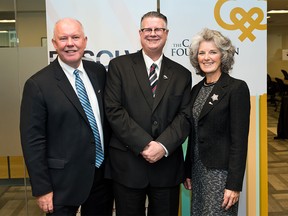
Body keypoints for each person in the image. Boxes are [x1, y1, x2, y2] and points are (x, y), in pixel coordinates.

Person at [20, 18, 113, 216]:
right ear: (54, 44)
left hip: (101, 179)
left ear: (85, 41)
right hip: (60, 184)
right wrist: (42, 188)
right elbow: (32, 142)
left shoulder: (98, 72)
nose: (70, 43)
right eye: (63, 38)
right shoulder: (37, 85)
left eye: (75, 37)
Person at [104, 11, 191, 216]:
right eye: (148, 29)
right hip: (128, 165)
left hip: (166, 166)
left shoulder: (182, 74)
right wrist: (144, 144)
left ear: (167, 33)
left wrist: (161, 146)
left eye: (158, 29)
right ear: (140, 33)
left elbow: (185, 116)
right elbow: (114, 110)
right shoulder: (119, 66)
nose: (153, 33)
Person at [183, 28, 250, 215]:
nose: (206, 57)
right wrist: (188, 170)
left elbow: (239, 141)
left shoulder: (236, 88)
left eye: (213, 52)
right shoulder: (195, 90)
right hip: (197, 172)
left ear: (223, 55)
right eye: (202, 53)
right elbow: (194, 134)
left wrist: (234, 184)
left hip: (221, 175)